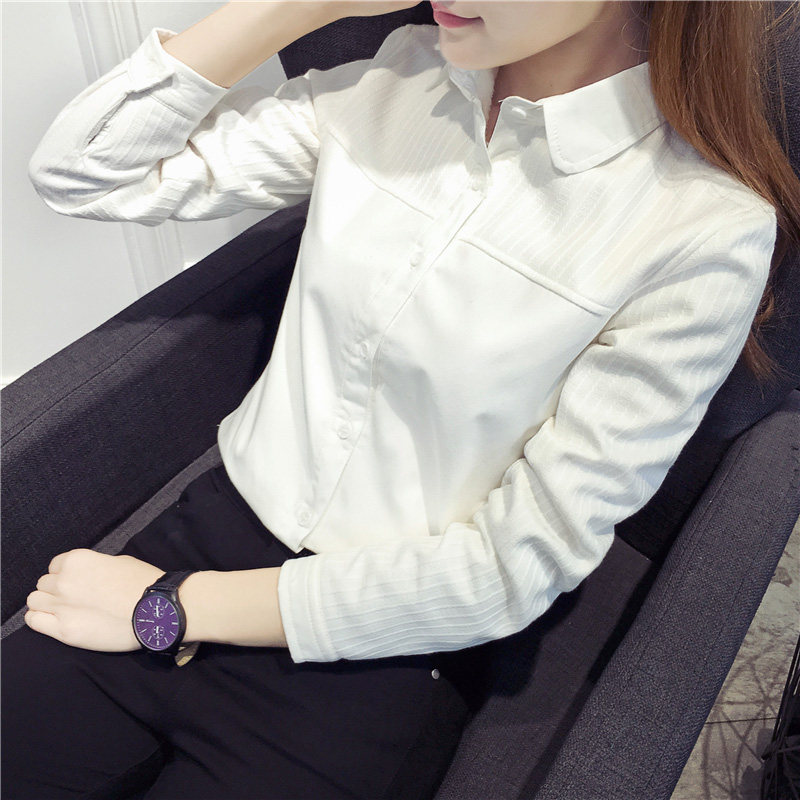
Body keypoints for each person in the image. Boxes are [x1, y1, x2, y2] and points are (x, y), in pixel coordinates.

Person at [3, 0, 799, 798]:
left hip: (376, 641)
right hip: (208, 529)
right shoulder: (404, 76)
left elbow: (514, 567)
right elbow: (84, 171)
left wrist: (169, 609)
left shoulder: (702, 228)